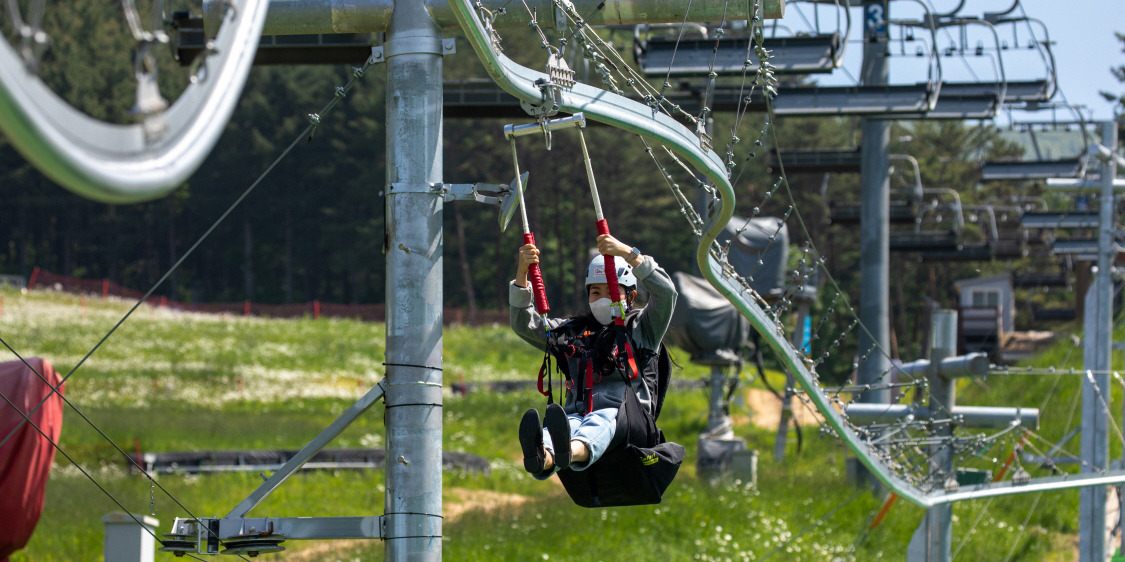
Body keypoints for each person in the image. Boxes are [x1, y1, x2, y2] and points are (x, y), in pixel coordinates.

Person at [510, 233, 677, 479]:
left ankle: (568, 449)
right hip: (577, 413)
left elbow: (666, 293)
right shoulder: (572, 332)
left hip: (628, 420)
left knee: (602, 418)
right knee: (568, 423)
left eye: (610, 291)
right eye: (595, 293)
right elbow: (526, 326)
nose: (601, 299)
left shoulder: (643, 329)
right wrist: (522, 274)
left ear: (630, 296)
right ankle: (543, 455)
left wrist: (627, 253)